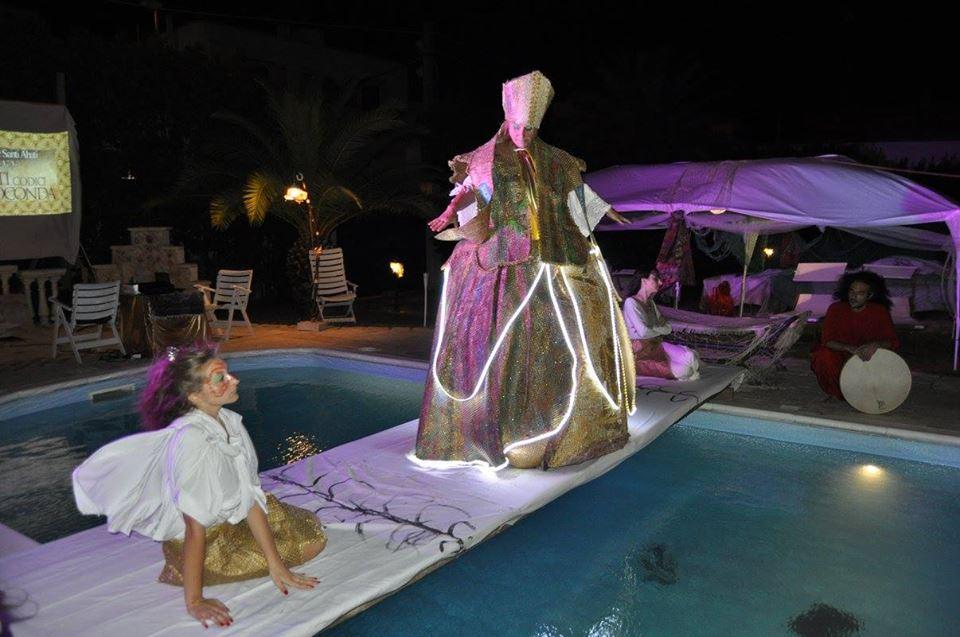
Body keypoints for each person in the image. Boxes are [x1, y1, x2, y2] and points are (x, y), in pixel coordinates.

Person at [416, 71, 636, 470]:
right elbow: (471, 193)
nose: (527, 134)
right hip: (497, 259)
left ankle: (549, 427)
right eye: (521, 127)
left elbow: (573, 194)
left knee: (561, 336)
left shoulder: (555, 159)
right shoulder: (484, 158)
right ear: (508, 118)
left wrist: (605, 210)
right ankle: (492, 428)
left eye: (533, 128)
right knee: (491, 342)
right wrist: (450, 212)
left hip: (548, 254)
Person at [72, 345, 325, 629]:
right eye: (220, 378)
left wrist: (276, 565)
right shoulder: (191, 441)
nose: (234, 380)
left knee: (310, 526)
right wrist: (195, 601)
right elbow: (194, 528)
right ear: (193, 396)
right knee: (311, 544)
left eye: (227, 373)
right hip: (206, 545)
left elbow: (249, 496)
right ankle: (189, 571)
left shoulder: (229, 421)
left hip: (226, 521)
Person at [810, 271, 900, 400]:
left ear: (870, 295)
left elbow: (893, 342)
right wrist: (848, 348)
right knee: (823, 356)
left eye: (860, 293)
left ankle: (865, 392)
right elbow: (827, 340)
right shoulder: (836, 309)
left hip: (868, 357)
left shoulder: (879, 312)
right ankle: (838, 392)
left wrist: (876, 345)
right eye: (851, 291)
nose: (854, 296)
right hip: (841, 353)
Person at [622, 269, 700, 380]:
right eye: (655, 279)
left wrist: (653, 329)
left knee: (690, 357)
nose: (660, 282)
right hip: (640, 352)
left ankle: (689, 357)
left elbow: (668, 328)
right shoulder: (631, 302)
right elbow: (643, 332)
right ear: (644, 280)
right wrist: (658, 329)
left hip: (656, 344)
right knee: (685, 370)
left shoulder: (650, 303)